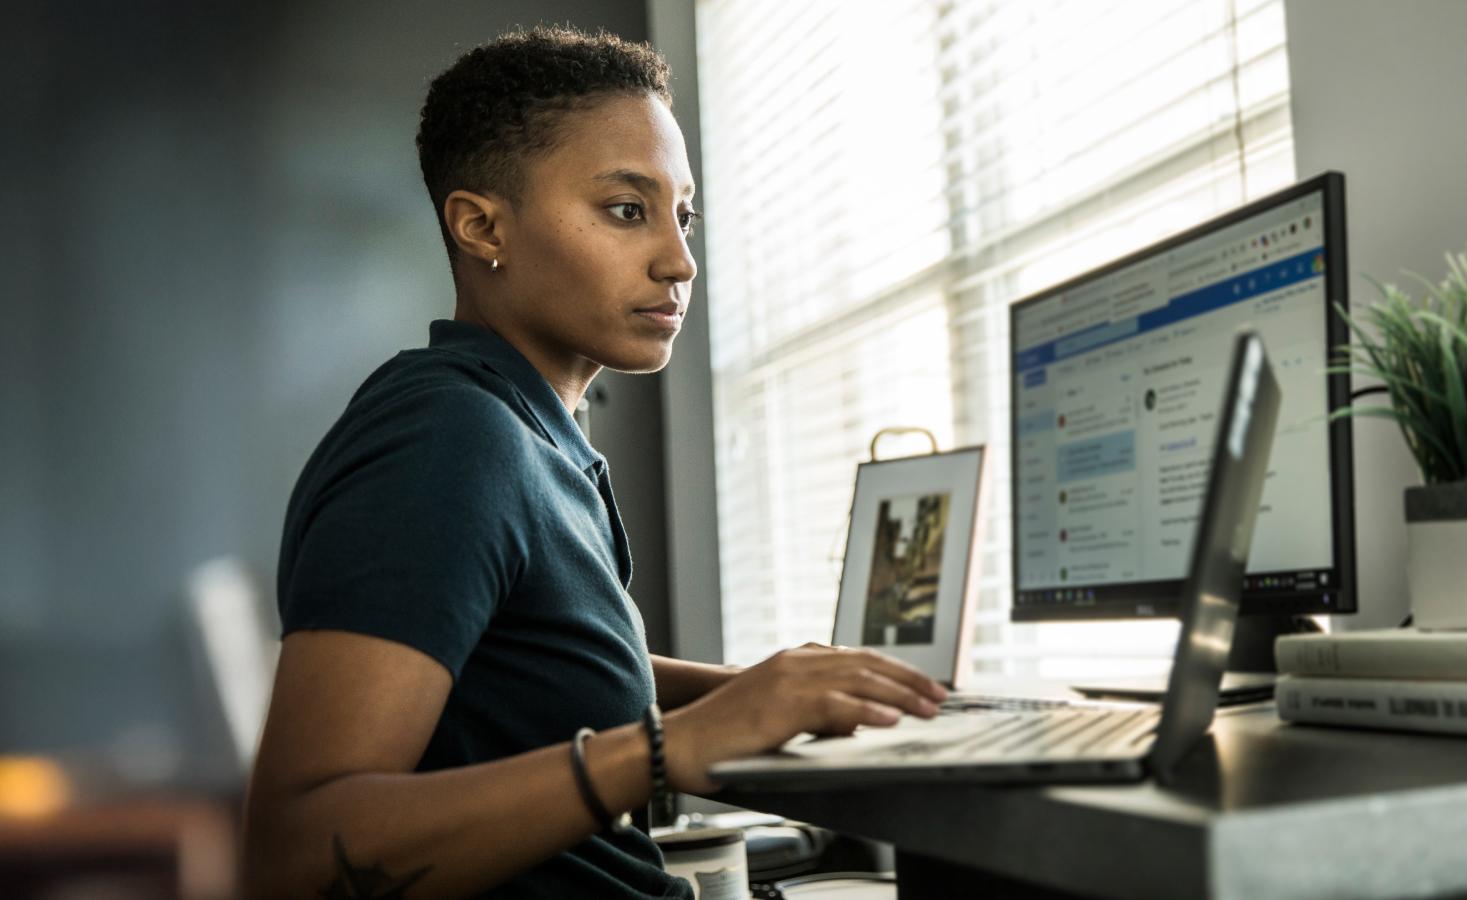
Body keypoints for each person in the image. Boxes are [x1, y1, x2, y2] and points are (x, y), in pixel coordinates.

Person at [241, 25, 948, 899]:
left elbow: (531, 665)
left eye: (682, 216)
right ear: (480, 225)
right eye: (627, 209)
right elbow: (294, 857)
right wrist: (663, 750)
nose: (679, 260)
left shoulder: (528, 432)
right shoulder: (447, 441)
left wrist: (764, 693)